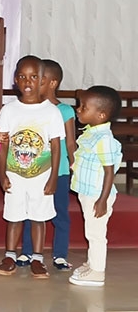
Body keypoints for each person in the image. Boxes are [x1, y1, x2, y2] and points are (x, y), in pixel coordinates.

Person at [0, 55, 64, 279]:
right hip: (15, 174)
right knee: (13, 217)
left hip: (41, 176)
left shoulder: (51, 112)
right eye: (22, 76)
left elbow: (55, 147)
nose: (28, 81)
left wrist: (53, 178)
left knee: (38, 217)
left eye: (34, 77)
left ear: (42, 80)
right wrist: (1, 173)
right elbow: (3, 144)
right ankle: (10, 255)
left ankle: (37, 258)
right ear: (15, 80)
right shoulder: (9, 110)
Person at [19, 59, 76, 270]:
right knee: (30, 212)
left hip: (59, 172)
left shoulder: (65, 111)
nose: (33, 83)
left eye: (39, 79)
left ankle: (60, 255)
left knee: (60, 214)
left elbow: (70, 142)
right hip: (35, 172)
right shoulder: (31, 110)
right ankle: (27, 252)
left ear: (52, 83)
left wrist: (74, 166)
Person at [69, 86, 123, 287]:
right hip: (88, 192)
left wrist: (102, 200)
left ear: (100, 115)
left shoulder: (104, 140)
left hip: (98, 195)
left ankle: (97, 272)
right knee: (90, 230)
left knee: (96, 233)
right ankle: (92, 264)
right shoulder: (91, 133)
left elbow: (110, 172)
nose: (78, 109)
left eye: (84, 107)